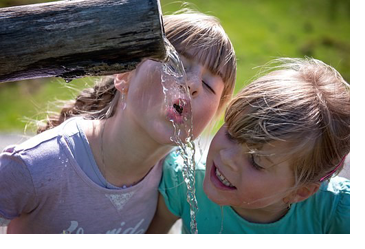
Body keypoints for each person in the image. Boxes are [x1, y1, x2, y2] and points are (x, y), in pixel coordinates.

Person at [0, 11, 236, 233]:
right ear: (123, 76)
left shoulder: (174, 182)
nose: (192, 84)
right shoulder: (39, 164)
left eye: (208, 85)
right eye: (175, 64)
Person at [147, 57, 350, 234]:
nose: (227, 157)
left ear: (300, 192)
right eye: (232, 133)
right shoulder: (183, 181)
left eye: (256, 161)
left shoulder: (337, 213)